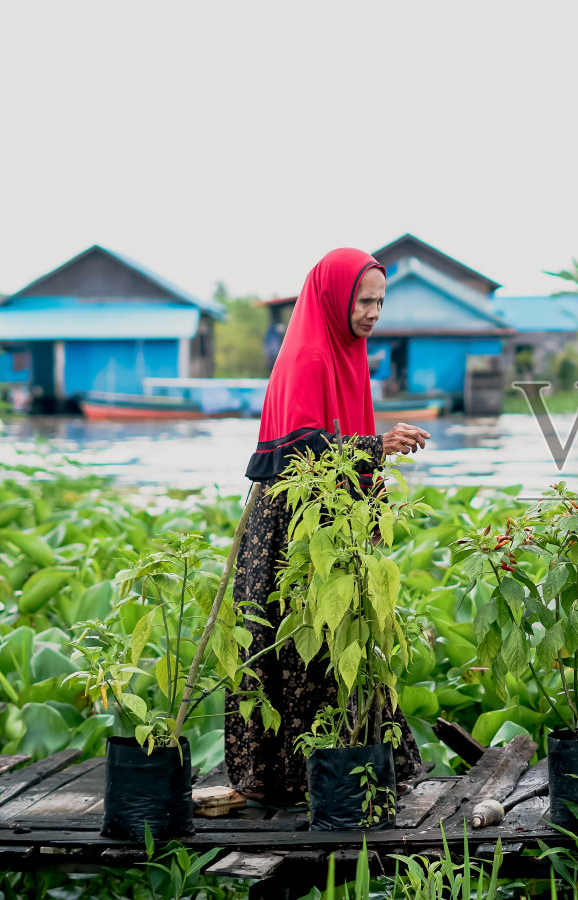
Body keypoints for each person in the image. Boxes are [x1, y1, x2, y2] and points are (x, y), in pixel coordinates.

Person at [225, 247, 431, 804]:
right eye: (364, 301)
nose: (372, 312)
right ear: (335, 298)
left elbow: (339, 441)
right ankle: (291, 781)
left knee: (343, 638)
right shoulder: (310, 357)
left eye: (380, 302)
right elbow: (301, 449)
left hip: (329, 516)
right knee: (299, 641)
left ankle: (340, 773)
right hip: (294, 523)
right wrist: (377, 445)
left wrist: (374, 466)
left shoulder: (348, 353)